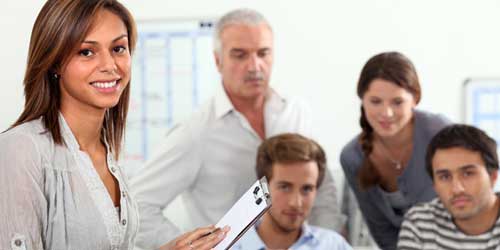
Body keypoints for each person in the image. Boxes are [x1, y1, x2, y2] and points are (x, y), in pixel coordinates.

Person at [0, 1, 226, 250]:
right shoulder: (21, 150)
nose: (110, 65)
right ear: (54, 61)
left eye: (118, 48)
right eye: (86, 52)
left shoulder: (108, 154)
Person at [131, 8, 344, 250]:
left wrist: (325, 243)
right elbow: (137, 206)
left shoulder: (295, 113)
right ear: (218, 61)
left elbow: (323, 194)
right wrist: (194, 246)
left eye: (263, 53)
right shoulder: (196, 132)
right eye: (240, 55)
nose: (255, 66)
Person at [340, 51, 452, 250]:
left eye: (397, 102)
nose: (386, 113)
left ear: (415, 99)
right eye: (375, 101)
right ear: (362, 100)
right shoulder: (352, 158)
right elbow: (382, 231)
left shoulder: (439, 133)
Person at [234, 133, 352, 250]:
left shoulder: (334, 246)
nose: (296, 203)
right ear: (262, 188)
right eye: (285, 187)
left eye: (307, 189)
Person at [398, 124, 500, 249]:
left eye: (468, 174)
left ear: (493, 177)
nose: (456, 189)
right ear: (434, 184)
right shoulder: (419, 222)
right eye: (445, 177)